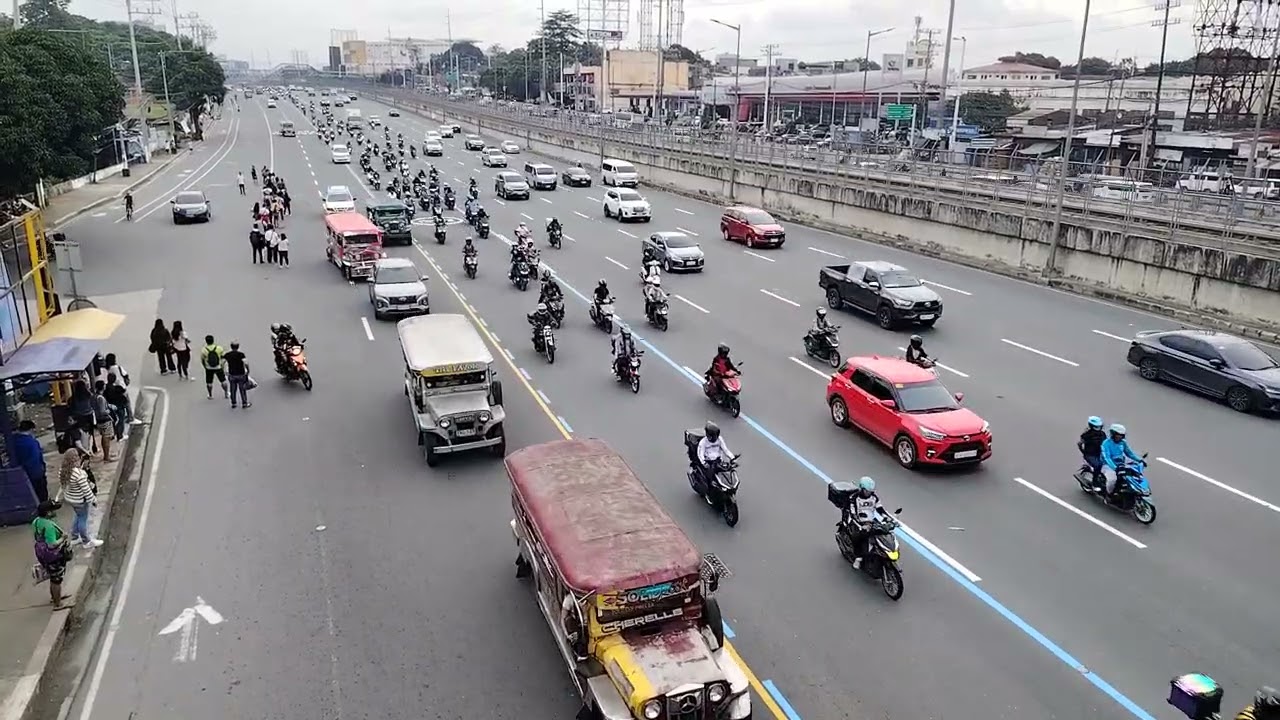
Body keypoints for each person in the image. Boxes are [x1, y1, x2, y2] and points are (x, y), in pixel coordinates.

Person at [32, 501, 72, 607]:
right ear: (48, 513)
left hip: (42, 553)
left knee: (52, 577)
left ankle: (54, 597)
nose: (55, 511)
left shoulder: (36, 521)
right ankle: (58, 604)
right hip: (53, 555)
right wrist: (63, 538)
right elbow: (52, 544)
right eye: (53, 509)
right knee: (56, 579)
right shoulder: (48, 526)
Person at [842, 477, 888, 569]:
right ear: (862, 489)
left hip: (870, 520)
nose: (869, 493)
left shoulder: (874, 497)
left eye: (871, 491)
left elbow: (880, 509)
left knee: (883, 531)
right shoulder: (854, 498)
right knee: (859, 538)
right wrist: (860, 525)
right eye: (868, 491)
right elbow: (853, 512)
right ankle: (858, 558)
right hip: (858, 521)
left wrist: (886, 517)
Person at [62, 460, 102, 549]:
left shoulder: (63, 471)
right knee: (82, 519)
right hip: (80, 501)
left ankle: (74, 536)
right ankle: (86, 541)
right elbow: (86, 490)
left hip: (71, 499)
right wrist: (93, 500)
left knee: (78, 516)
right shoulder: (79, 474)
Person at [1100, 423, 1144, 497]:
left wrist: (1140, 460)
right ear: (1113, 434)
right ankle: (1109, 495)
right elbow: (1107, 458)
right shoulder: (1106, 444)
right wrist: (1115, 468)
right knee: (1112, 480)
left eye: (1121, 435)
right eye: (1117, 434)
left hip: (1121, 464)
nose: (1119, 437)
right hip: (1108, 466)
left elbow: (1129, 453)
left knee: (1132, 476)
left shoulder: (1123, 443)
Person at [12, 420, 48, 503]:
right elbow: (36, 459)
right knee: (41, 493)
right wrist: (41, 471)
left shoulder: (13, 441)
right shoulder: (32, 443)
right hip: (35, 473)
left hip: (20, 473)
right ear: (31, 430)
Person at [694, 421, 734, 489]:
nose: (712, 438)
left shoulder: (720, 439)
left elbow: (726, 450)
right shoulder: (703, 442)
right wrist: (704, 463)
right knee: (710, 479)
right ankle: (709, 492)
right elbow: (700, 454)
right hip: (708, 462)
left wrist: (732, 458)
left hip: (718, 461)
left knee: (727, 471)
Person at [1077, 416, 1107, 489]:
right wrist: (1084, 452)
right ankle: (1095, 483)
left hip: (1100, 453)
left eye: (1099, 427)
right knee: (1098, 465)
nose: (1098, 429)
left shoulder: (1102, 434)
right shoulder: (1086, 435)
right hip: (1090, 455)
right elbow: (1079, 444)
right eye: (1096, 427)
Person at [91, 381, 115, 461]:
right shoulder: (100, 398)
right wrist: (108, 411)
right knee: (106, 438)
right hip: (104, 420)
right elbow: (102, 411)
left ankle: (106, 454)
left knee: (104, 437)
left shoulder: (94, 396)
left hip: (99, 420)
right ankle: (107, 456)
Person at [199, 335, 229, 399]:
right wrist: (222, 365)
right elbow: (224, 357)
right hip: (218, 367)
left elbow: (202, 360)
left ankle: (210, 395)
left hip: (209, 368)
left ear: (206, 341)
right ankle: (226, 393)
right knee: (223, 381)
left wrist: (205, 367)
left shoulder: (204, 350)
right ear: (213, 340)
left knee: (209, 382)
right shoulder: (219, 348)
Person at [103, 373, 131, 441]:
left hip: (110, 407)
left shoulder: (106, 388)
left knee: (112, 420)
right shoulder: (117, 388)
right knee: (121, 421)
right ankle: (120, 436)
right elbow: (123, 395)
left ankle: (112, 434)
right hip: (119, 406)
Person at [223, 341, 251, 409]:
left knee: (233, 389)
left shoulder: (227, 354)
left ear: (231, 347)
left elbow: (222, 363)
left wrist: (225, 371)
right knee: (242, 389)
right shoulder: (241, 354)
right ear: (238, 347)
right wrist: (247, 370)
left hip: (232, 375)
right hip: (241, 374)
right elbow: (246, 363)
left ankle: (234, 403)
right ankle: (244, 403)